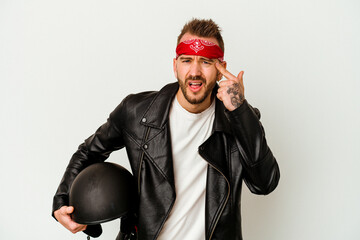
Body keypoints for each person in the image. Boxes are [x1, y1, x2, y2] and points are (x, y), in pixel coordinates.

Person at [52, 18, 280, 240]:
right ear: (175, 66)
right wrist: (62, 201)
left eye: (207, 62)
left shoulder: (239, 120)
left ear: (221, 70)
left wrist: (240, 111)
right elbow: (89, 152)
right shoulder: (136, 112)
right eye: (187, 60)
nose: (195, 71)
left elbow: (265, 183)